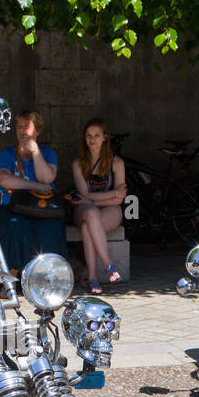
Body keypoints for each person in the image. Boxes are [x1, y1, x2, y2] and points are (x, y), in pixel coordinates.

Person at [0, 108, 65, 273]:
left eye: (27, 126)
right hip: (10, 205)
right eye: (18, 126)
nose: (21, 131)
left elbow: (47, 178)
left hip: (42, 206)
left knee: (50, 227)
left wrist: (35, 151)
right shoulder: (7, 154)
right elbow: (3, 179)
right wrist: (36, 186)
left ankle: (48, 274)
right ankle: (13, 275)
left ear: (38, 131)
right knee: (14, 226)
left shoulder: (48, 153)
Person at [71, 117, 127, 294]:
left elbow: (120, 199)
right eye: (88, 135)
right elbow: (84, 196)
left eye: (96, 135)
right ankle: (107, 264)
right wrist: (111, 194)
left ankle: (93, 278)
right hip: (83, 210)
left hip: (110, 211)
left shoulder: (117, 163)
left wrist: (93, 200)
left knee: (89, 228)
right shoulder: (78, 164)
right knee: (91, 214)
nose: (92, 139)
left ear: (104, 137)